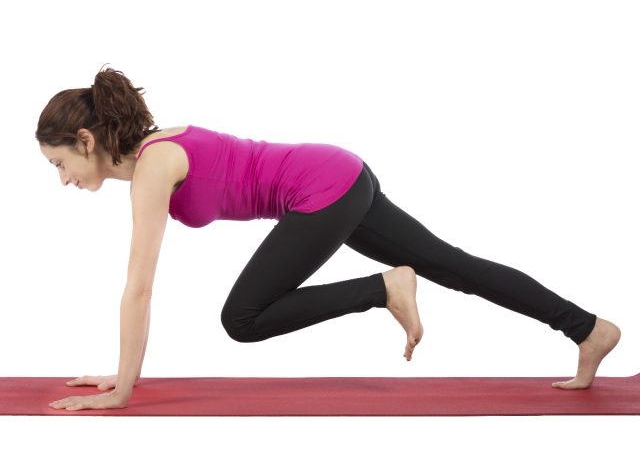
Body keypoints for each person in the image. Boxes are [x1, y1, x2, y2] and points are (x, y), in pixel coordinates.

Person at [39, 66, 620, 411]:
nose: (63, 180)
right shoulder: (156, 153)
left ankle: (384, 287)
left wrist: (121, 390)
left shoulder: (152, 167)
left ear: (86, 140)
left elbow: (137, 289)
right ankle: (590, 328)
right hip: (341, 175)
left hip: (324, 190)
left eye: (59, 164)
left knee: (242, 318)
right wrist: (127, 372)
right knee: (455, 266)